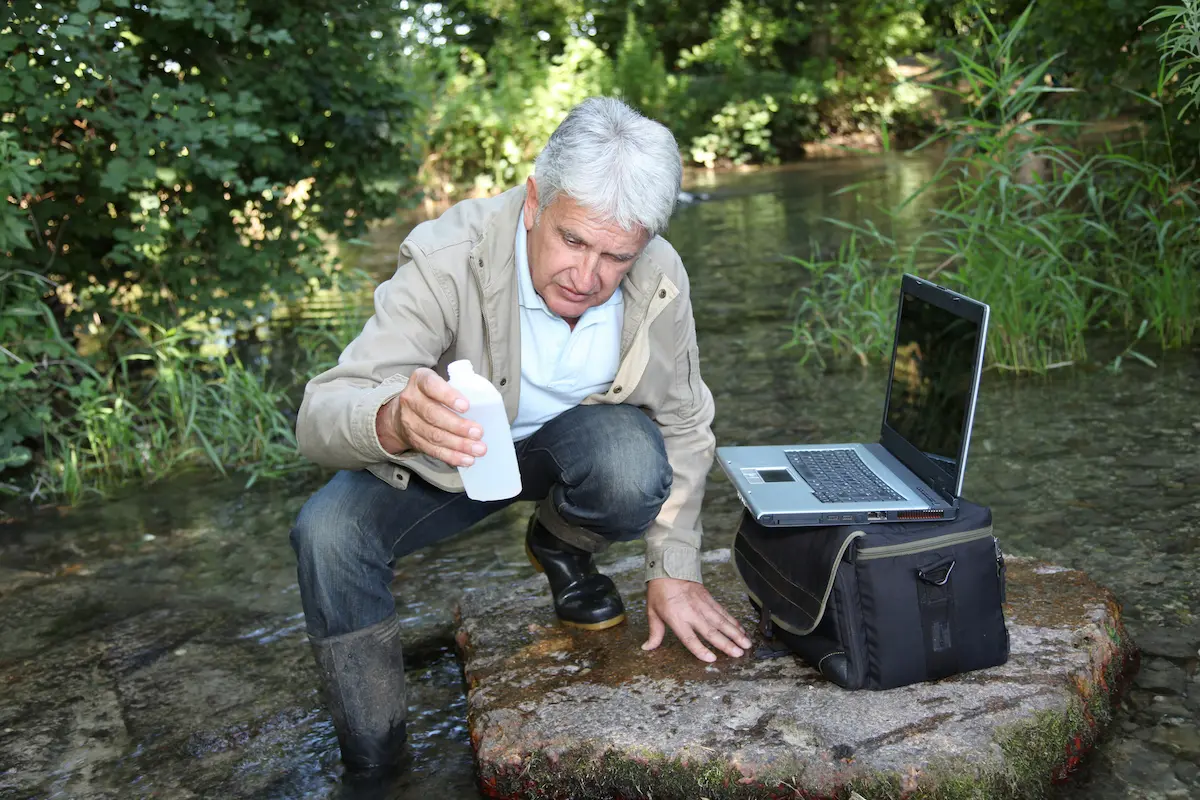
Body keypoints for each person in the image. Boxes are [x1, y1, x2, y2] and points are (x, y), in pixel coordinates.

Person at [289, 96, 751, 781]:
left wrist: (674, 569)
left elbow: (683, 420)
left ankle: (559, 546)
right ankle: (377, 761)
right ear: (535, 201)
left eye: (615, 256)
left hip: (572, 454)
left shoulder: (659, 277)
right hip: (445, 462)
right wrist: (394, 419)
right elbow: (319, 414)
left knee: (632, 460)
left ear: (643, 244)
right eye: (573, 240)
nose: (588, 278)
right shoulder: (448, 256)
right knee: (327, 534)